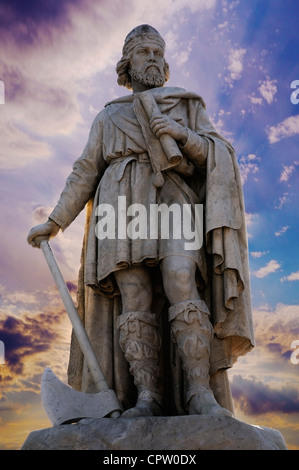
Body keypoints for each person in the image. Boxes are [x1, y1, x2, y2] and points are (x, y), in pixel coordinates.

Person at [27, 24, 254, 418]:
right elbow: (85, 170)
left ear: (164, 65)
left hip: (173, 199)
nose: (151, 57)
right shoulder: (108, 116)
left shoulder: (186, 105)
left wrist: (183, 135)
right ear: (126, 64)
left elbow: (215, 155)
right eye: (143, 51)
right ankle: (147, 396)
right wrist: (55, 221)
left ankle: (200, 392)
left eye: (157, 52)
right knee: (133, 296)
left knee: (182, 277)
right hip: (119, 207)